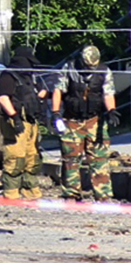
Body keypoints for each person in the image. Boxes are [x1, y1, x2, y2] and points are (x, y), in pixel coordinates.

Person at [51, 45, 120, 201]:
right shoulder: (69, 69)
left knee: (99, 158)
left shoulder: (104, 71)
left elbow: (108, 93)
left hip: (95, 120)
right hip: (72, 121)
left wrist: (111, 110)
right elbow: (58, 90)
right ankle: (71, 194)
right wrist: (56, 113)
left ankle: (103, 195)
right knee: (70, 159)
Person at [0, 46, 47, 200]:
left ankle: (30, 192)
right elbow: (3, 98)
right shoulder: (8, 76)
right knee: (15, 158)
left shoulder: (29, 77)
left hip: (31, 121)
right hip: (16, 122)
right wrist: (15, 117)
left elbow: (43, 90)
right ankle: (11, 194)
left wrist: (39, 99)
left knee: (32, 158)